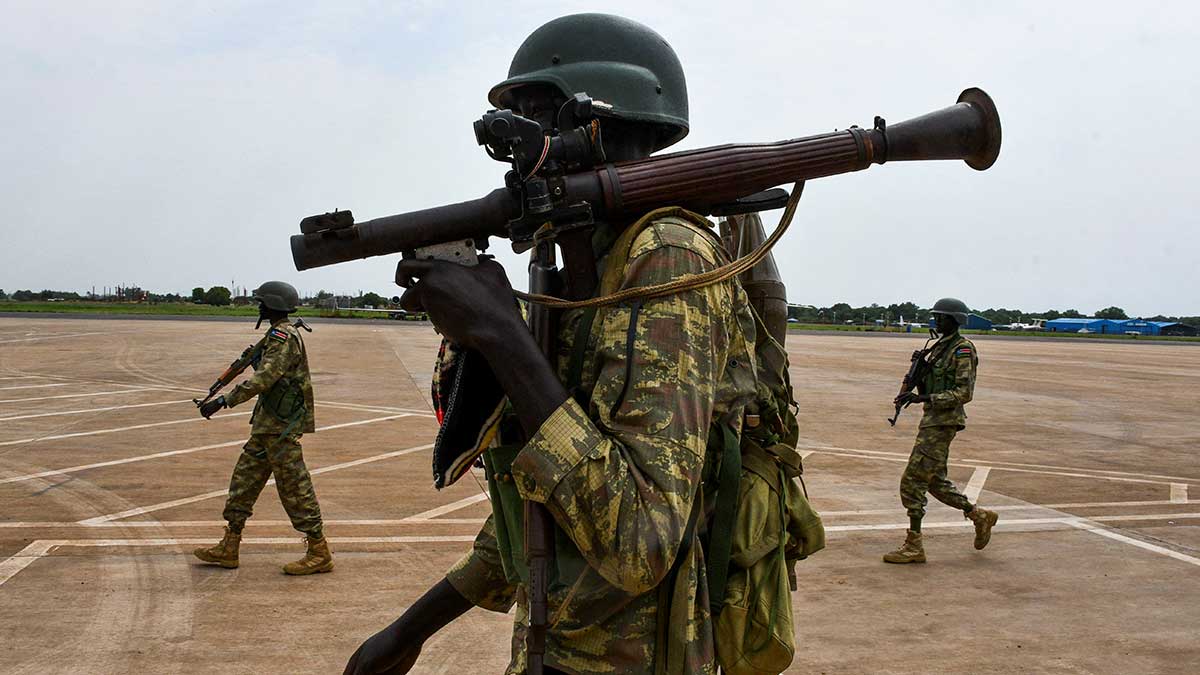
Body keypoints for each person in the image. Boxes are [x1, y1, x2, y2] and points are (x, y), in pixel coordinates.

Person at [344, 13, 761, 675]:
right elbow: (540, 504)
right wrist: (410, 629)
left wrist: (502, 334)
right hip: (553, 653)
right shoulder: (578, 258)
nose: (521, 152)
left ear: (601, 125)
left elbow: (640, 543)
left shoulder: (668, 256)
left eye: (538, 121)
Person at [192, 281, 333, 575]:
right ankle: (229, 545)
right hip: (267, 426)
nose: (258, 306)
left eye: (262, 302)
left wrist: (224, 401)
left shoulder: (284, 337)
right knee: (243, 483)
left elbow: (263, 379)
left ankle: (319, 551)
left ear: (273, 305)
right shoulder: (274, 335)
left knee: (295, 488)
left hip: (281, 428)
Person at [884, 297, 997, 564]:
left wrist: (925, 399)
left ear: (955, 320)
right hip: (932, 420)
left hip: (943, 422)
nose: (937, 321)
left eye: (942, 317)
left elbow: (964, 392)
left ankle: (914, 546)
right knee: (934, 481)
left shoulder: (962, 350)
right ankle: (979, 516)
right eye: (936, 317)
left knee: (911, 482)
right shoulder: (937, 349)